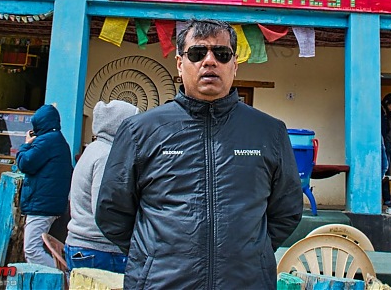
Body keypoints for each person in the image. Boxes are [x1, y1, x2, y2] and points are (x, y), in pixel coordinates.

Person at [96, 19, 303, 290]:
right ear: (180, 64)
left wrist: (249, 253)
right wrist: (154, 256)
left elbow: (286, 210)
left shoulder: (269, 132)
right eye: (197, 53)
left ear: (234, 65)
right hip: (161, 283)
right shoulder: (140, 130)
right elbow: (112, 211)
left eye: (221, 54)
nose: (209, 61)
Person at [66, 100, 139, 273]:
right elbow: (105, 209)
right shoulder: (107, 156)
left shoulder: (94, 149)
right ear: (122, 125)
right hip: (99, 250)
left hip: (83, 245)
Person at [15, 104, 73, 268]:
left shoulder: (46, 141)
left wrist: (25, 145)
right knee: (43, 247)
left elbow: (25, 163)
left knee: (32, 249)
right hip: (51, 204)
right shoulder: (59, 141)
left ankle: (63, 279)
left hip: (41, 206)